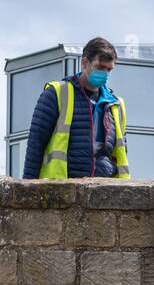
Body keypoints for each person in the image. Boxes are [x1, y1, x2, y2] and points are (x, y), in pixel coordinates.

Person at [22, 36, 130, 180]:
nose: (105, 74)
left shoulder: (116, 106)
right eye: (100, 67)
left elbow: (121, 154)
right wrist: (28, 188)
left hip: (105, 192)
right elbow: (35, 145)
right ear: (85, 62)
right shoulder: (57, 94)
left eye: (109, 69)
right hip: (62, 188)